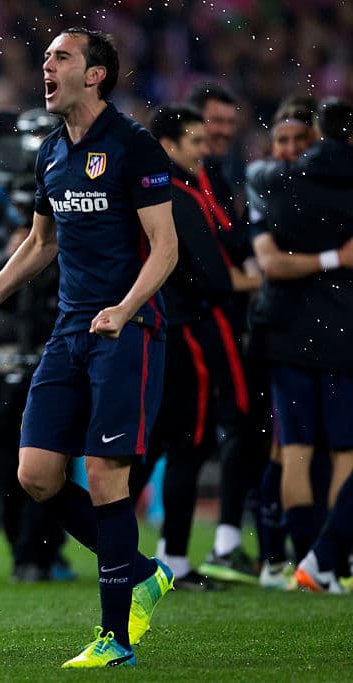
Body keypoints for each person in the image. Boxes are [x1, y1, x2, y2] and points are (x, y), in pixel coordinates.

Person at [0, 28, 178, 668]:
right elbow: (40, 244)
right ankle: (138, 570)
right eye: (45, 58)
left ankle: (116, 640)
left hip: (126, 331)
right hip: (70, 331)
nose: (46, 66)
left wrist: (126, 309)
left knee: (105, 475)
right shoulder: (52, 151)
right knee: (36, 476)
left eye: (61, 58)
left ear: (96, 74)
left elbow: (165, 247)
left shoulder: (132, 146)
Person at [145, 104, 260, 591]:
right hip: (187, 332)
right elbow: (213, 275)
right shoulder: (176, 195)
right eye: (194, 139)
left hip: (162, 329)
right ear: (170, 144)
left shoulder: (151, 191)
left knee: (158, 446)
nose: (204, 147)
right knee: (187, 446)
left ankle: (149, 556)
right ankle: (172, 561)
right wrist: (241, 280)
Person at [247, 97, 353, 594]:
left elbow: (271, 261)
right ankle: (327, 559)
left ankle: (304, 556)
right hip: (339, 332)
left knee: (296, 449)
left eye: (299, 141)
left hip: (287, 332)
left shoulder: (271, 184)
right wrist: (337, 257)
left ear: (315, 138)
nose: (291, 150)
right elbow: (271, 264)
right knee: (337, 452)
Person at [187, 83, 263, 583]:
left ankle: (218, 544)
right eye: (213, 124)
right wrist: (248, 266)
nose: (221, 134)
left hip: (216, 313)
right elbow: (210, 247)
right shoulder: (184, 178)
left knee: (206, 433)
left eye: (229, 126)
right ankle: (217, 545)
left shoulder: (213, 172)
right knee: (228, 424)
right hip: (200, 316)